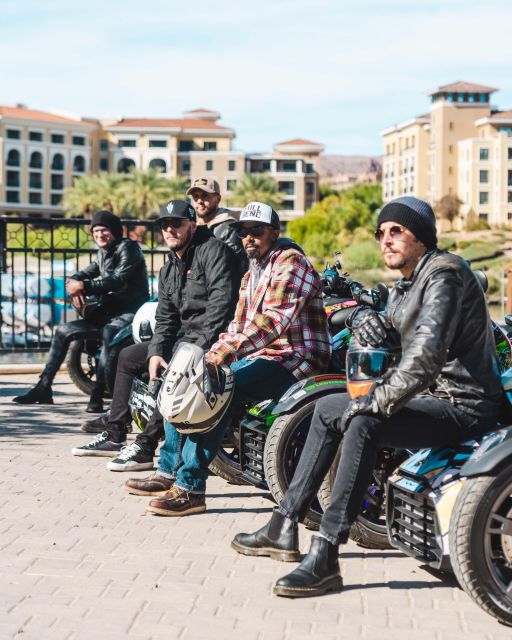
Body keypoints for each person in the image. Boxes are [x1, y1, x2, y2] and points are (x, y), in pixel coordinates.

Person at [231, 196, 503, 598]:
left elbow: (425, 354)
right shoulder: (409, 283)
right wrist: (365, 318)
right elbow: (396, 334)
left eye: (398, 231)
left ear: (423, 237)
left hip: (464, 406)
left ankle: (326, 554)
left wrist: (375, 401)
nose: (386, 240)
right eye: (381, 232)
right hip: (432, 399)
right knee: (326, 408)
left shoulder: (447, 275)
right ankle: (283, 525)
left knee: (363, 421)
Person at [129, 201, 331, 517]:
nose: (248, 237)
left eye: (256, 231)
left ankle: (191, 489)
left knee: (218, 389)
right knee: (185, 379)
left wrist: (219, 359)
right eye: (242, 231)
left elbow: (272, 322)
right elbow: (238, 325)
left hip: (295, 359)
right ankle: (167, 473)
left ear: (274, 232)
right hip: (263, 355)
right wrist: (207, 358)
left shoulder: (291, 263)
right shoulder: (253, 271)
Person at [71, 200, 240, 466]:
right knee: (125, 356)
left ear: (192, 226)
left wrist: (193, 350)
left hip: (212, 339)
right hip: (182, 338)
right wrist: (156, 352)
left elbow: (221, 309)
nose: (170, 230)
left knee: (177, 368)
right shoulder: (169, 266)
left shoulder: (215, 252)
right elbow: (165, 317)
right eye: (165, 225)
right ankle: (115, 433)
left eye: (177, 224)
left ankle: (146, 446)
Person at [13, 211, 149, 413]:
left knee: (108, 334)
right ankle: (43, 387)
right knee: (62, 331)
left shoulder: (128, 248)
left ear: (114, 231)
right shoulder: (102, 253)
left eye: (104, 230)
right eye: (95, 231)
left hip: (130, 311)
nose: (100, 235)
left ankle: (98, 395)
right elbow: (84, 273)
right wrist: (73, 283)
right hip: (107, 312)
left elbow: (117, 279)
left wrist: (83, 285)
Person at [187, 177, 248, 275]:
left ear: (218, 199)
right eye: (195, 196)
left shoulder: (229, 227)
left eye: (205, 196)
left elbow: (237, 267)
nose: (199, 201)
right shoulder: (195, 227)